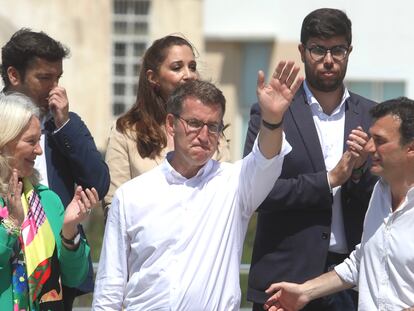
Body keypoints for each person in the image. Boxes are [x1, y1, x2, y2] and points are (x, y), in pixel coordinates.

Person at [92, 61, 303, 310]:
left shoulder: (235, 184)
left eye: (213, 127)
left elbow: (267, 159)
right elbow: (111, 286)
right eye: (193, 123)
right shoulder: (131, 195)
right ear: (171, 124)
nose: (204, 136)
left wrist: (273, 119)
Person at [243, 8, 378, 311]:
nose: (329, 60)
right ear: (303, 51)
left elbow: (389, 198)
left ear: (349, 51)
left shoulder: (372, 117)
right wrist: (328, 180)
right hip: (284, 283)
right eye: (318, 49)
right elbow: (257, 193)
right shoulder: (273, 113)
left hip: (353, 283)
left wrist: (357, 173)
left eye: (338, 50)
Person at [264, 97, 414, 311]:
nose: (369, 148)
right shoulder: (379, 194)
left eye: (380, 141)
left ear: (411, 148)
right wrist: (304, 292)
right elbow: (363, 261)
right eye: (370, 138)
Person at [1, 28, 110, 310]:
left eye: (58, 78)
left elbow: (99, 182)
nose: (55, 88)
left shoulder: (65, 126)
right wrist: (11, 224)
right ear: (14, 75)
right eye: (44, 78)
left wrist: (64, 125)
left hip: (55, 276)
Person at [103, 35, 230, 218]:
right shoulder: (127, 132)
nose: (188, 75)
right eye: (177, 68)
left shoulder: (212, 131)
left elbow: (224, 192)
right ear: (153, 78)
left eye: (192, 67)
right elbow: (113, 206)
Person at [0, 93, 99, 310]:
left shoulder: (48, 200)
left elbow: (74, 277)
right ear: (5, 141)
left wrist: (70, 230)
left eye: (39, 140)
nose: (39, 150)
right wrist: (12, 225)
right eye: (30, 141)